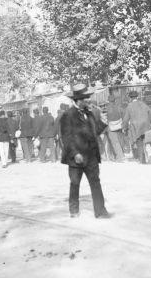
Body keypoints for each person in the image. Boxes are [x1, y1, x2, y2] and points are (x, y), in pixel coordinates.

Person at [59, 83, 112, 219]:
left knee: (95, 182)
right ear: (78, 100)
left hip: (91, 155)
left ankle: (100, 212)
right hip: (76, 157)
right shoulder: (67, 115)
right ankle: (74, 211)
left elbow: (95, 132)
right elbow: (67, 138)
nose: (88, 100)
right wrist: (75, 153)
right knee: (75, 183)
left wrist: (103, 124)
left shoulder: (89, 113)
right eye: (86, 98)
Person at [122, 90, 151, 164]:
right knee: (146, 140)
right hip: (146, 125)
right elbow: (150, 112)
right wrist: (149, 121)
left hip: (136, 126)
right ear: (137, 97)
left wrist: (124, 128)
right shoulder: (143, 104)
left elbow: (126, 119)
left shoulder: (129, 106)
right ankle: (149, 155)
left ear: (130, 98)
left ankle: (142, 159)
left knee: (139, 142)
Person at [105, 95, 126, 162]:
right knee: (120, 140)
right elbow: (123, 116)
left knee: (115, 142)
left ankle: (119, 157)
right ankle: (122, 154)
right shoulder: (119, 107)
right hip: (119, 125)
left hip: (111, 126)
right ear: (115, 100)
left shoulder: (107, 108)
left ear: (108, 100)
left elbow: (106, 118)